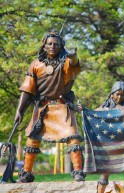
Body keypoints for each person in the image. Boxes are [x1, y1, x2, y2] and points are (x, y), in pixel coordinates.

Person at [14, 32, 85, 183]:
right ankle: (26, 173)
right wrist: (19, 110)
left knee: (72, 138)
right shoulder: (36, 64)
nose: (53, 46)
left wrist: (73, 55)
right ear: (44, 45)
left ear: (61, 47)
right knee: (32, 139)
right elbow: (28, 89)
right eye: (50, 44)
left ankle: (78, 171)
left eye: (56, 44)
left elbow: (74, 63)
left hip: (62, 105)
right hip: (42, 108)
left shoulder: (65, 62)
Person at [79, 81, 124, 193]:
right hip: (109, 148)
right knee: (104, 176)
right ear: (111, 94)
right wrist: (84, 110)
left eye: (122, 94)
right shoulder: (104, 108)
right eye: (117, 94)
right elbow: (93, 114)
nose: (119, 97)